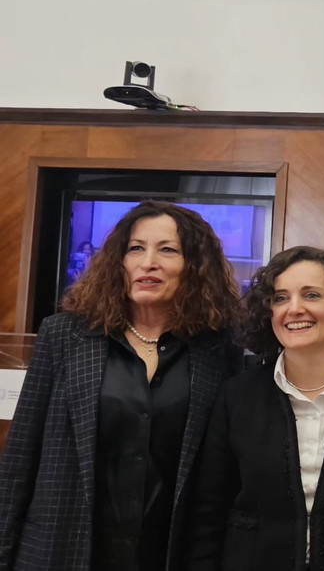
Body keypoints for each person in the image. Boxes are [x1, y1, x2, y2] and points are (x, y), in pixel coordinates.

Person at [0, 201, 244, 571]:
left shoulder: (220, 348)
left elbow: (224, 471)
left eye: (168, 250)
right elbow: (21, 455)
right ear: (119, 261)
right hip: (63, 547)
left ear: (195, 266)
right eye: (136, 248)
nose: (149, 262)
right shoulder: (65, 335)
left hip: (170, 551)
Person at [187, 246, 324, 571]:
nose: (294, 309)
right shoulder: (237, 396)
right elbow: (209, 510)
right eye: (280, 298)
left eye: (311, 295)